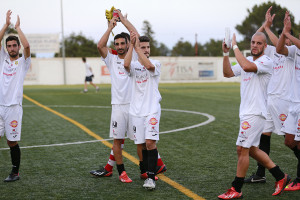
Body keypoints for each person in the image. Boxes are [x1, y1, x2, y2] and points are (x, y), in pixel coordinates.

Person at [89, 10, 166, 182]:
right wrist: (110, 27)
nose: (119, 46)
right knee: (118, 139)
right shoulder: (112, 58)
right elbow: (100, 45)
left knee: (140, 142)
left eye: (123, 43)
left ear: (127, 43)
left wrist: (123, 21)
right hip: (118, 105)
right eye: (117, 44)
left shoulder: (135, 59)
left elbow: (136, 37)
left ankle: (145, 170)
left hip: (135, 105)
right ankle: (121, 171)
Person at [218, 32, 290, 199]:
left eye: (259, 43)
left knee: (241, 149)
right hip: (246, 112)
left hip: (256, 113)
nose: (255, 45)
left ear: (265, 46)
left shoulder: (266, 62)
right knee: (251, 150)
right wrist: (225, 53)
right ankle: (280, 176)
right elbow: (228, 73)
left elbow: (247, 67)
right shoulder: (247, 61)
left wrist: (235, 45)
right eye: (253, 42)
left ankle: (236, 189)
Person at [245, 6, 294, 184]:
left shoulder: (292, 54)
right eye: (283, 38)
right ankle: (261, 173)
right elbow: (256, 39)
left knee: (290, 141)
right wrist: (265, 26)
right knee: (263, 137)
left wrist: (269, 29)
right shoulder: (272, 52)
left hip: (284, 102)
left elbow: (278, 43)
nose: (284, 41)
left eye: (287, 38)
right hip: (268, 102)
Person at [124, 33, 161, 190]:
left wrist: (138, 49)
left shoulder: (155, 63)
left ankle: (151, 178)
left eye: (147, 47)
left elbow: (149, 66)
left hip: (152, 110)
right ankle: (146, 171)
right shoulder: (133, 65)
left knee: (150, 143)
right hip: (136, 111)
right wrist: (132, 45)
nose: (146, 50)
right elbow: (126, 65)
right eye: (143, 47)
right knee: (142, 144)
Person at [0, 10, 31, 182]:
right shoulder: (2, 58)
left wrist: (17, 28)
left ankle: (15, 172)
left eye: (14, 46)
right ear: (6, 48)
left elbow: (27, 47)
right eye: (9, 46)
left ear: (17, 47)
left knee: (11, 142)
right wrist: (6, 25)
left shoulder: (23, 63)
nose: (11, 48)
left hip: (13, 109)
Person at [276, 11, 300, 191]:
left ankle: (299, 178)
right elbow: (279, 49)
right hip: (293, 103)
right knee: (289, 141)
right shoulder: (294, 50)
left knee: (298, 142)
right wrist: (284, 32)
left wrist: (288, 32)